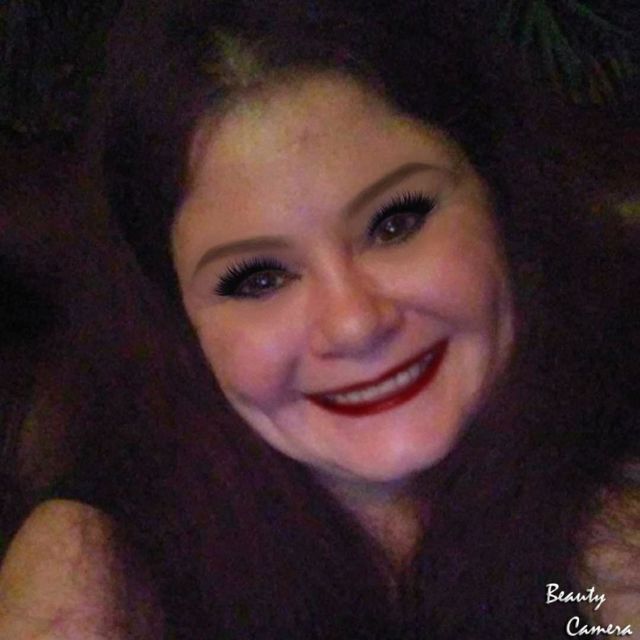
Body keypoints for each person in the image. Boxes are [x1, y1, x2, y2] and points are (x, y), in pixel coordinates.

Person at [1, 1, 638, 638]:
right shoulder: (93, 579)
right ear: (177, 320)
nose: (354, 323)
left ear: (500, 199)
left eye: (396, 223)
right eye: (259, 279)